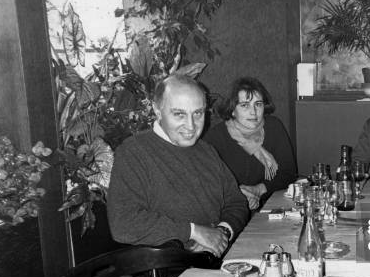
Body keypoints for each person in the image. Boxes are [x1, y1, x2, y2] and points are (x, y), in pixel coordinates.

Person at [108, 75, 249, 257]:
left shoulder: (207, 151)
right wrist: (193, 232)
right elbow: (124, 223)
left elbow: (236, 201)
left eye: (197, 113)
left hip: (216, 261)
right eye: (179, 114)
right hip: (168, 270)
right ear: (157, 111)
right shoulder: (133, 153)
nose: (191, 126)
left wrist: (221, 234)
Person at [204, 77, 297, 210]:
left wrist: (259, 190)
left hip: (272, 206)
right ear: (232, 110)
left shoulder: (274, 127)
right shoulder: (216, 137)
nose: (253, 112)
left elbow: (288, 174)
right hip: (231, 209)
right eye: (244, 105)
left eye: (258, 104)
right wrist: (240, 196)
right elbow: (208, 183)